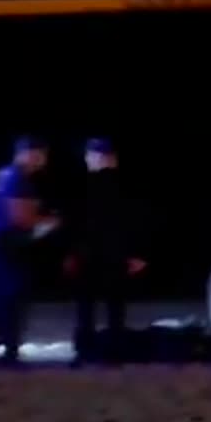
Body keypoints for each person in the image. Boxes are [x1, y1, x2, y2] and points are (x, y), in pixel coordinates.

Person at [0, 136, 56, 366]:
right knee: (13, 299)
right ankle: (9, 353)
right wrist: (48, 223)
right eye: (39, 154)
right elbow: (21, 219)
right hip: (10, 247)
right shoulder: (20, 179)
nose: (42, 160)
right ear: (27, 153)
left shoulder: (2, 174)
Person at [63, 138, 147, 366]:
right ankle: (114, 355)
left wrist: (70, 253)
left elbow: (72, 222)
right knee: (114, 307)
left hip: (89, 254)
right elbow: (139, 221)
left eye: (90, 156)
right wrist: (137, 253)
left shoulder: (82, 186)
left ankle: (85, 353)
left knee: (87, 307)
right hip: (115, 254)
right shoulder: (127, 186)